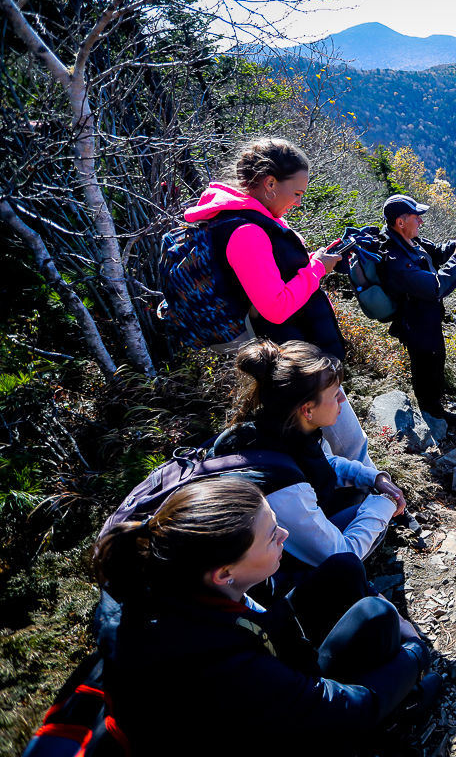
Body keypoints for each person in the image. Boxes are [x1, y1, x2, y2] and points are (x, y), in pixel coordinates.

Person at [95, 478, 438, 754]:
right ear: (225, 573)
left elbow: (272, 595)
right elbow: (346, 709)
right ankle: (390, 723)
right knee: (377, 617)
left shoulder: (170, 577)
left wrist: (361, 588)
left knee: (344, 569)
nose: (284, 535)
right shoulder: (219, 664)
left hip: (239, 698)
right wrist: (415, 652)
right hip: (249, 734)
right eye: (273, 535)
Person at [184, 138, 373, 467]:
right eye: (297, 193)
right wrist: (316, 269)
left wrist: (314, 262)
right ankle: (370, 488)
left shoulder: (252, 220)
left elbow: (277, 279)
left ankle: (349, 485)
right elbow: (275, 306)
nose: (298, 202)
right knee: (343, 442)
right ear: (270, 184)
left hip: (293, 351)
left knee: (318, 443)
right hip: (291, 358)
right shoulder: (246, 231)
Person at [208, 339, 405, 570]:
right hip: (268, 572)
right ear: (307, 410)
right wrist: (385, 504)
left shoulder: (269, 428)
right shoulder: (284, 488)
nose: (342, 399)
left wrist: (373, 477)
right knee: (366, 515)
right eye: (335, 394)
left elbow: (323, 463)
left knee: (362, 490)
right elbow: (343, 555)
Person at [377, 194, 456, 427]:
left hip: (427, 316)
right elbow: (436, 287)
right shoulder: (395, 258)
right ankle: (433, 417)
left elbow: (436, 252)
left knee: (436, 359)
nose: (421, 221)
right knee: (425, 366)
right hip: (415, 322)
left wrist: (455, 244)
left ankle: (436, 409)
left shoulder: (409, 240)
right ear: (400, 222)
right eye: (416, 217)